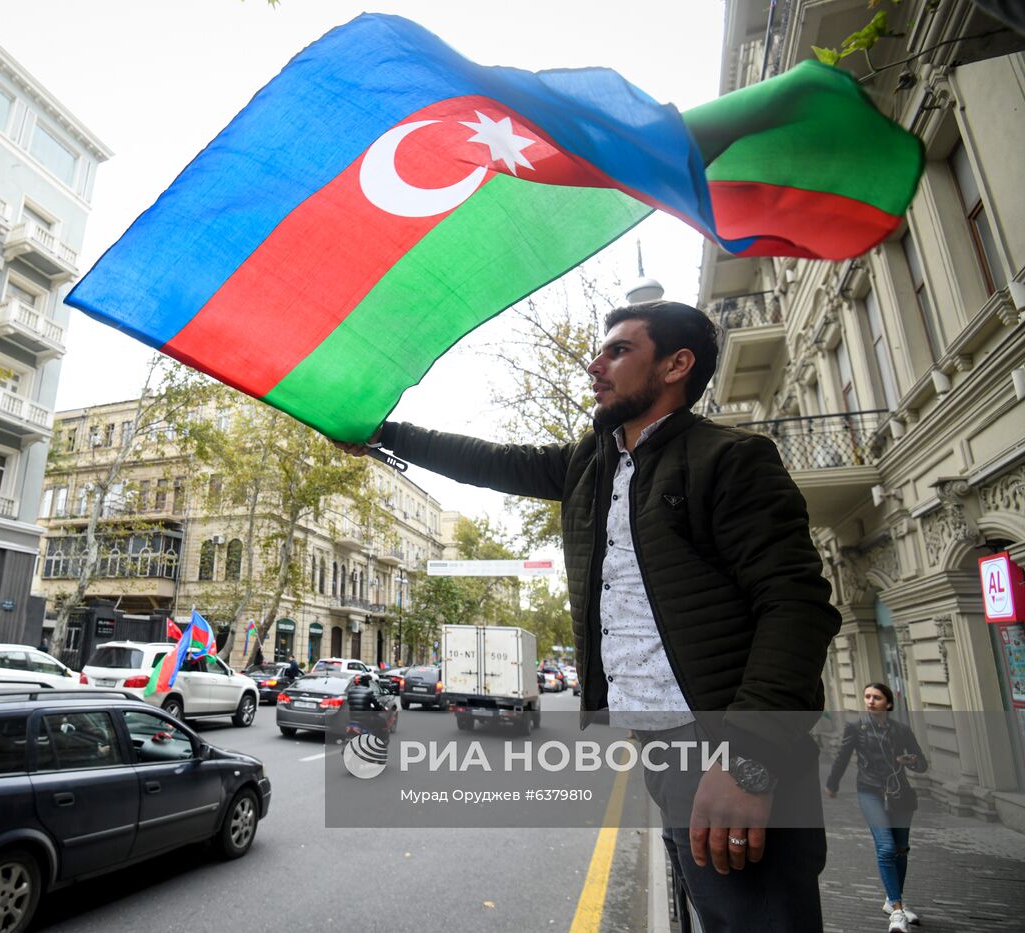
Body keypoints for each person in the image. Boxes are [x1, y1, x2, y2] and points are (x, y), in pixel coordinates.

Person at [335, 301, 840, 931]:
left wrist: (748, 756)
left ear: (677, 365)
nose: (594, 366)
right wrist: (383, 433)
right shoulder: (591, 465)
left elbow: (796, 606)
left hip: (723, 743)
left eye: (619, 351)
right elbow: (489, 460)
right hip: (665, 744)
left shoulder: (730, 458)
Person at [825, 684, 928, 932]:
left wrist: (910, 761)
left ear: (888, 704)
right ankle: (897, 912)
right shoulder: (856, 728)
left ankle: (892, 899)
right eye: (868, 697)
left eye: (877, 697)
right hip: (870, 792)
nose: (871, 701)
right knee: (886, 847)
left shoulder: (902, 731)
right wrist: (832, 783)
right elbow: (842, 756)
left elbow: (922, 763)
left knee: (901, 849)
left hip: (900, 794)